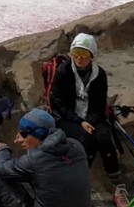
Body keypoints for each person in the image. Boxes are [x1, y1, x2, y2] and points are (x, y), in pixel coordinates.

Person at [0, 110, 92, 207]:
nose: (21, 139)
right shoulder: (76, 146)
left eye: (24, 134)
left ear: (37, 135)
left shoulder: (35, 160)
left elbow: (0, 168)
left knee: (2, 178)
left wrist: (2, 149)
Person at [48, 34, 120, 187]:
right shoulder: (63, 71)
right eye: (76, 54)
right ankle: (80, 182)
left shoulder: (99, 75)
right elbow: (58, 103)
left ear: (92, 56)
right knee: (87, 140)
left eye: (84, 55)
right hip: (68, 118)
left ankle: (116, 183)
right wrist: (80, 122)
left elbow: (99, 105)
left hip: (91, 116)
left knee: (104, 139)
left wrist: (89, 121)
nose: (79, 59)